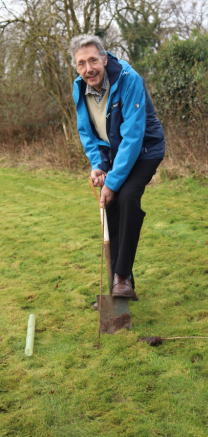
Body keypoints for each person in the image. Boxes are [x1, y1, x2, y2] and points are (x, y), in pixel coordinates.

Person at [70, 34, 165, 300]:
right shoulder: (80, 87)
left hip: (145, 151)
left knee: (128, 198)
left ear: (104, 58)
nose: (88, 69)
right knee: (111, 206)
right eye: (81, 64)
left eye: (92, 60)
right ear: (76, 68)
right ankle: (121, 285)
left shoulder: (128, 79)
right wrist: (98, 165)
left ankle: (121, 277)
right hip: (113, 156)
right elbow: (86, 131)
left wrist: (112, 182)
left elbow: (133, 137)